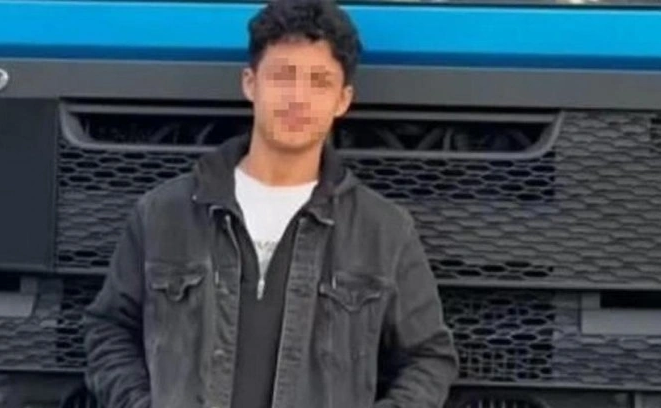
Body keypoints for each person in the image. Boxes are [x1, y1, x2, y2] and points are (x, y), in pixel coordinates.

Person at [82, 0, 459, 407]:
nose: (298, 98)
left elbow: (429, 357)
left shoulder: (383, 230)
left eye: (319, 82)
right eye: (283, 76)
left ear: (342, 100)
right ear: (250, 83)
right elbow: (109, 329)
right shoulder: (164, 213)